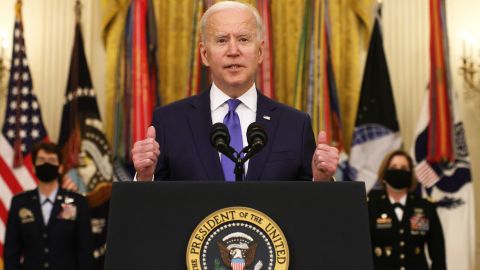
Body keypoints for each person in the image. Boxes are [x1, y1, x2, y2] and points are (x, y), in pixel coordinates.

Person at [132, 1, 339, 181]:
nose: (233, 51)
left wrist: (321, 181)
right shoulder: (169, 122)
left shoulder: (295, 125)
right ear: (204, 54)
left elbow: (309, 208)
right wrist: (144, 177)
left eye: (243, 39)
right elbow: (153, 210)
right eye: (222, 40)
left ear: (259, 52)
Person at [4, 142, 94, 270]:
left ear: (60, 168)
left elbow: (85, 251)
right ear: (34, 167)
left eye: (52, 160)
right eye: (41, 160)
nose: (46, 164)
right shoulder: (20, 203)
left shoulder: (78, 203)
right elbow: (11, 253)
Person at [367, 150, 446, 270]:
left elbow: (438, 255)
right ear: (385, 172)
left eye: (404, 168)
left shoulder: (425, 207)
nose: (399, 171)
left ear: (410, 174)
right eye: (394, 167)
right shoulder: (370, 206)